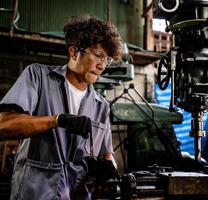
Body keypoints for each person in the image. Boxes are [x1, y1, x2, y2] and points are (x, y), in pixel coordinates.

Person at [0, 15, 122, 199]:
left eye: (107, 60)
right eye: (98, 56)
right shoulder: (38, 77)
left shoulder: (101, 106)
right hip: (35, 194)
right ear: (74, 52)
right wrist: (57, 120)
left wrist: (108, 170)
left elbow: (106, 154)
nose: (101, 66)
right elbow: (4, 125)